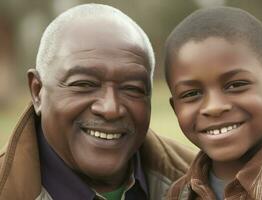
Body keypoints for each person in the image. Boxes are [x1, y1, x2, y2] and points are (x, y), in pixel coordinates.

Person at [0, 4, 196, 200]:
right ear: (37, 91)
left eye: (132, 88)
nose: (111, 108)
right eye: (84, 84)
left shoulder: (201, 184)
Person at [164, 7, 262, 200]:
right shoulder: (178, 194)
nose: (214, 107)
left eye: (236, 85)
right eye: (191, 93)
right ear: (175, 108)